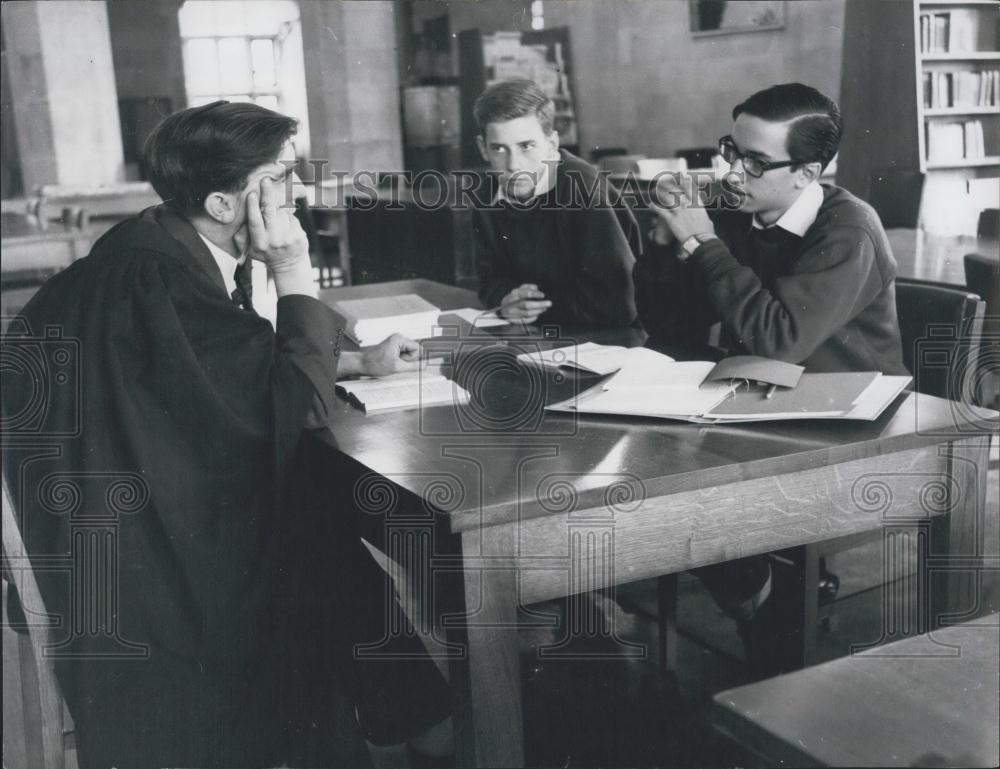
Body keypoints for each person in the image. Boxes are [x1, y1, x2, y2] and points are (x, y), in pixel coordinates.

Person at [1, 101, 450, 767]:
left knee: (319, 513)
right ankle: (425, 719)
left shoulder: (151, 243)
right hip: (148, 580)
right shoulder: (161, 276)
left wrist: (353, 358)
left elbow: (215, 371)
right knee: (322, 518)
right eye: (282, 176)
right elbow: (293, 410)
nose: (298, 192)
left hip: (111, 527)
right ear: (221, 200)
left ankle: (415, 715)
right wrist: (295, 272)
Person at [634, 83, 907, 677]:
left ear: (807, 173)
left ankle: (763, 602)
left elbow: (778, 336)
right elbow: (670, 322)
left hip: (847, 420)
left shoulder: (848, 231)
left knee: (679, 489)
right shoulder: (744, 214)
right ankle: (755, 589)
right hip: (767, 401)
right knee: (645, 468)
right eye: (732, 149)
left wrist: (701, 242)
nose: (732, 171)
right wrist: (664, 249)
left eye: (755, 162)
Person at [472, 79, 640, 327]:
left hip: (614, 342)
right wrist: (506, 300)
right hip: (544, 337)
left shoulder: (582, 187)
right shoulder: (487, 194)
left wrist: (534, 309)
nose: (513, 165)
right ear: (483, 149)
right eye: (498, 149)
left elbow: (618, 303)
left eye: (526, 146)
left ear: (551, 144)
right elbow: (488, 280)